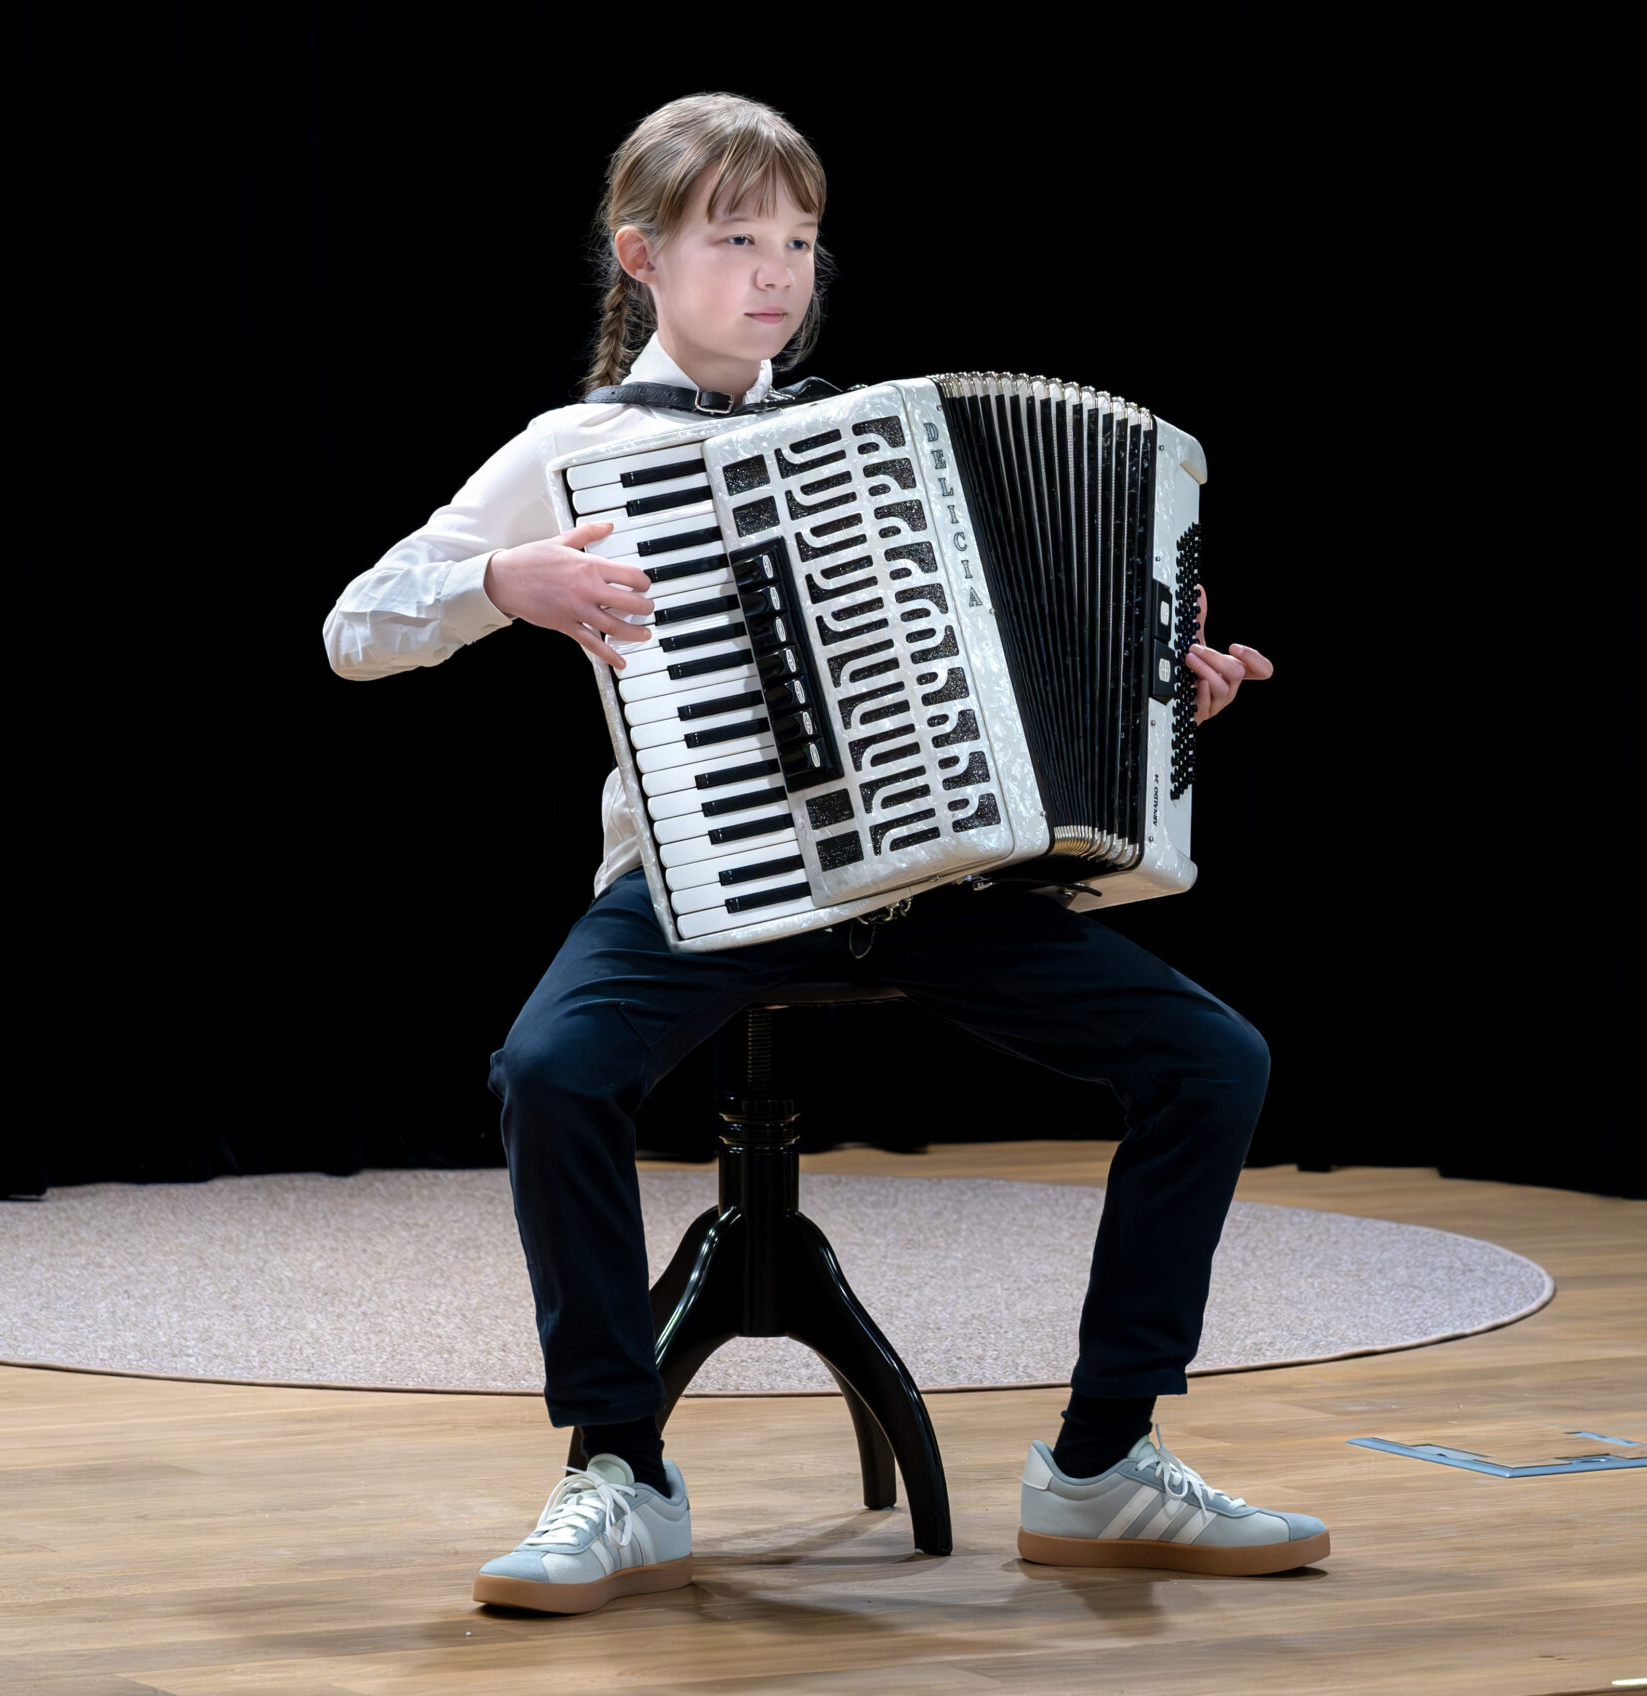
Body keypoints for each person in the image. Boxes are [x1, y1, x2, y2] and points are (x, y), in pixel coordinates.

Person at [323, 92, 1304, 1616]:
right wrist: (503, 582)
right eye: (735, 238)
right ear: (642, 257)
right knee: (552, 1072)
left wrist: (1153, 691)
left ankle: (1102, 1460)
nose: (775, 271)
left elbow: (1003, 672)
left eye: (797, 241)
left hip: (917, 882)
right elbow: (356, 627)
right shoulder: (576, 449)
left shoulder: (877, 433)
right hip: (696, 883)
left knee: (1214, 1060)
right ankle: (620, 1470)